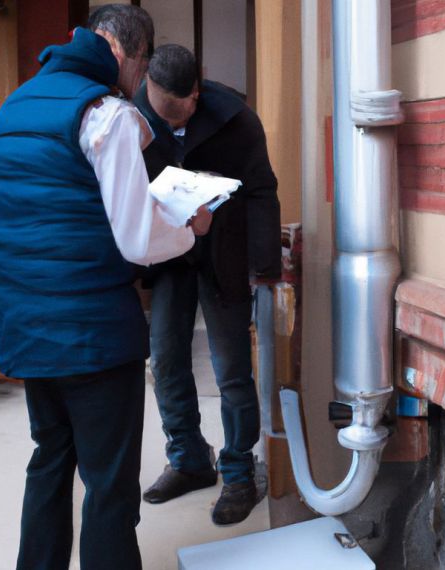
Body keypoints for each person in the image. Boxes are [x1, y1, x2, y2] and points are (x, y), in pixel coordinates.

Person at [0, 7, 211, 569]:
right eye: (139, 69)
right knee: (108, 485)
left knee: (50, 459)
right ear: (130, 57)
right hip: (94, 336)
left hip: (27, 328)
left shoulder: (13, 107)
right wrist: (189, 227)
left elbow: (48, 211)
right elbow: (136, 240)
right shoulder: (107, 115)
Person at [134, 44, 281, 525]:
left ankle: (239, 472)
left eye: (183, 109)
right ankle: (191, 460)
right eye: (162, 110)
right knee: (167, 360)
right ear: (148, 89)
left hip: (226, 253)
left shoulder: (236, 119)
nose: (174, 121)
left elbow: (261, 190)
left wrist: (263, 268)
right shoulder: (134, 118)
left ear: (197, 92)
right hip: (172, 257)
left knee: (231, 369)